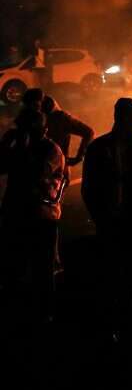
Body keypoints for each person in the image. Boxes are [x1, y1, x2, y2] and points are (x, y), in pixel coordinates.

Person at [81, 97, 132, 341]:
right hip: (113, 224)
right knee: (114, 276)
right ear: (125, 119)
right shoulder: (101, 148)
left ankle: (129, 326)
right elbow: (89, 189)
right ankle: (112, 328)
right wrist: (102, 217)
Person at [0, 108, 66, 326]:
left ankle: (45, 315)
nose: (25, 132)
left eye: (30, 129)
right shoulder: (20, 147)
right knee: (14, 265)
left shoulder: (51, 150)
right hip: (17, 213)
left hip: (42, 216)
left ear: (43, 130)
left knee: (43, 268)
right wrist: (6, 143)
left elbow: (35, 174)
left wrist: (20, 146)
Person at [41, 95, 94, 165]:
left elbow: (89, 132)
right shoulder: (31, 117)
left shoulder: (60, 118)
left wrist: (79, 157)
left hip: (56, 170)